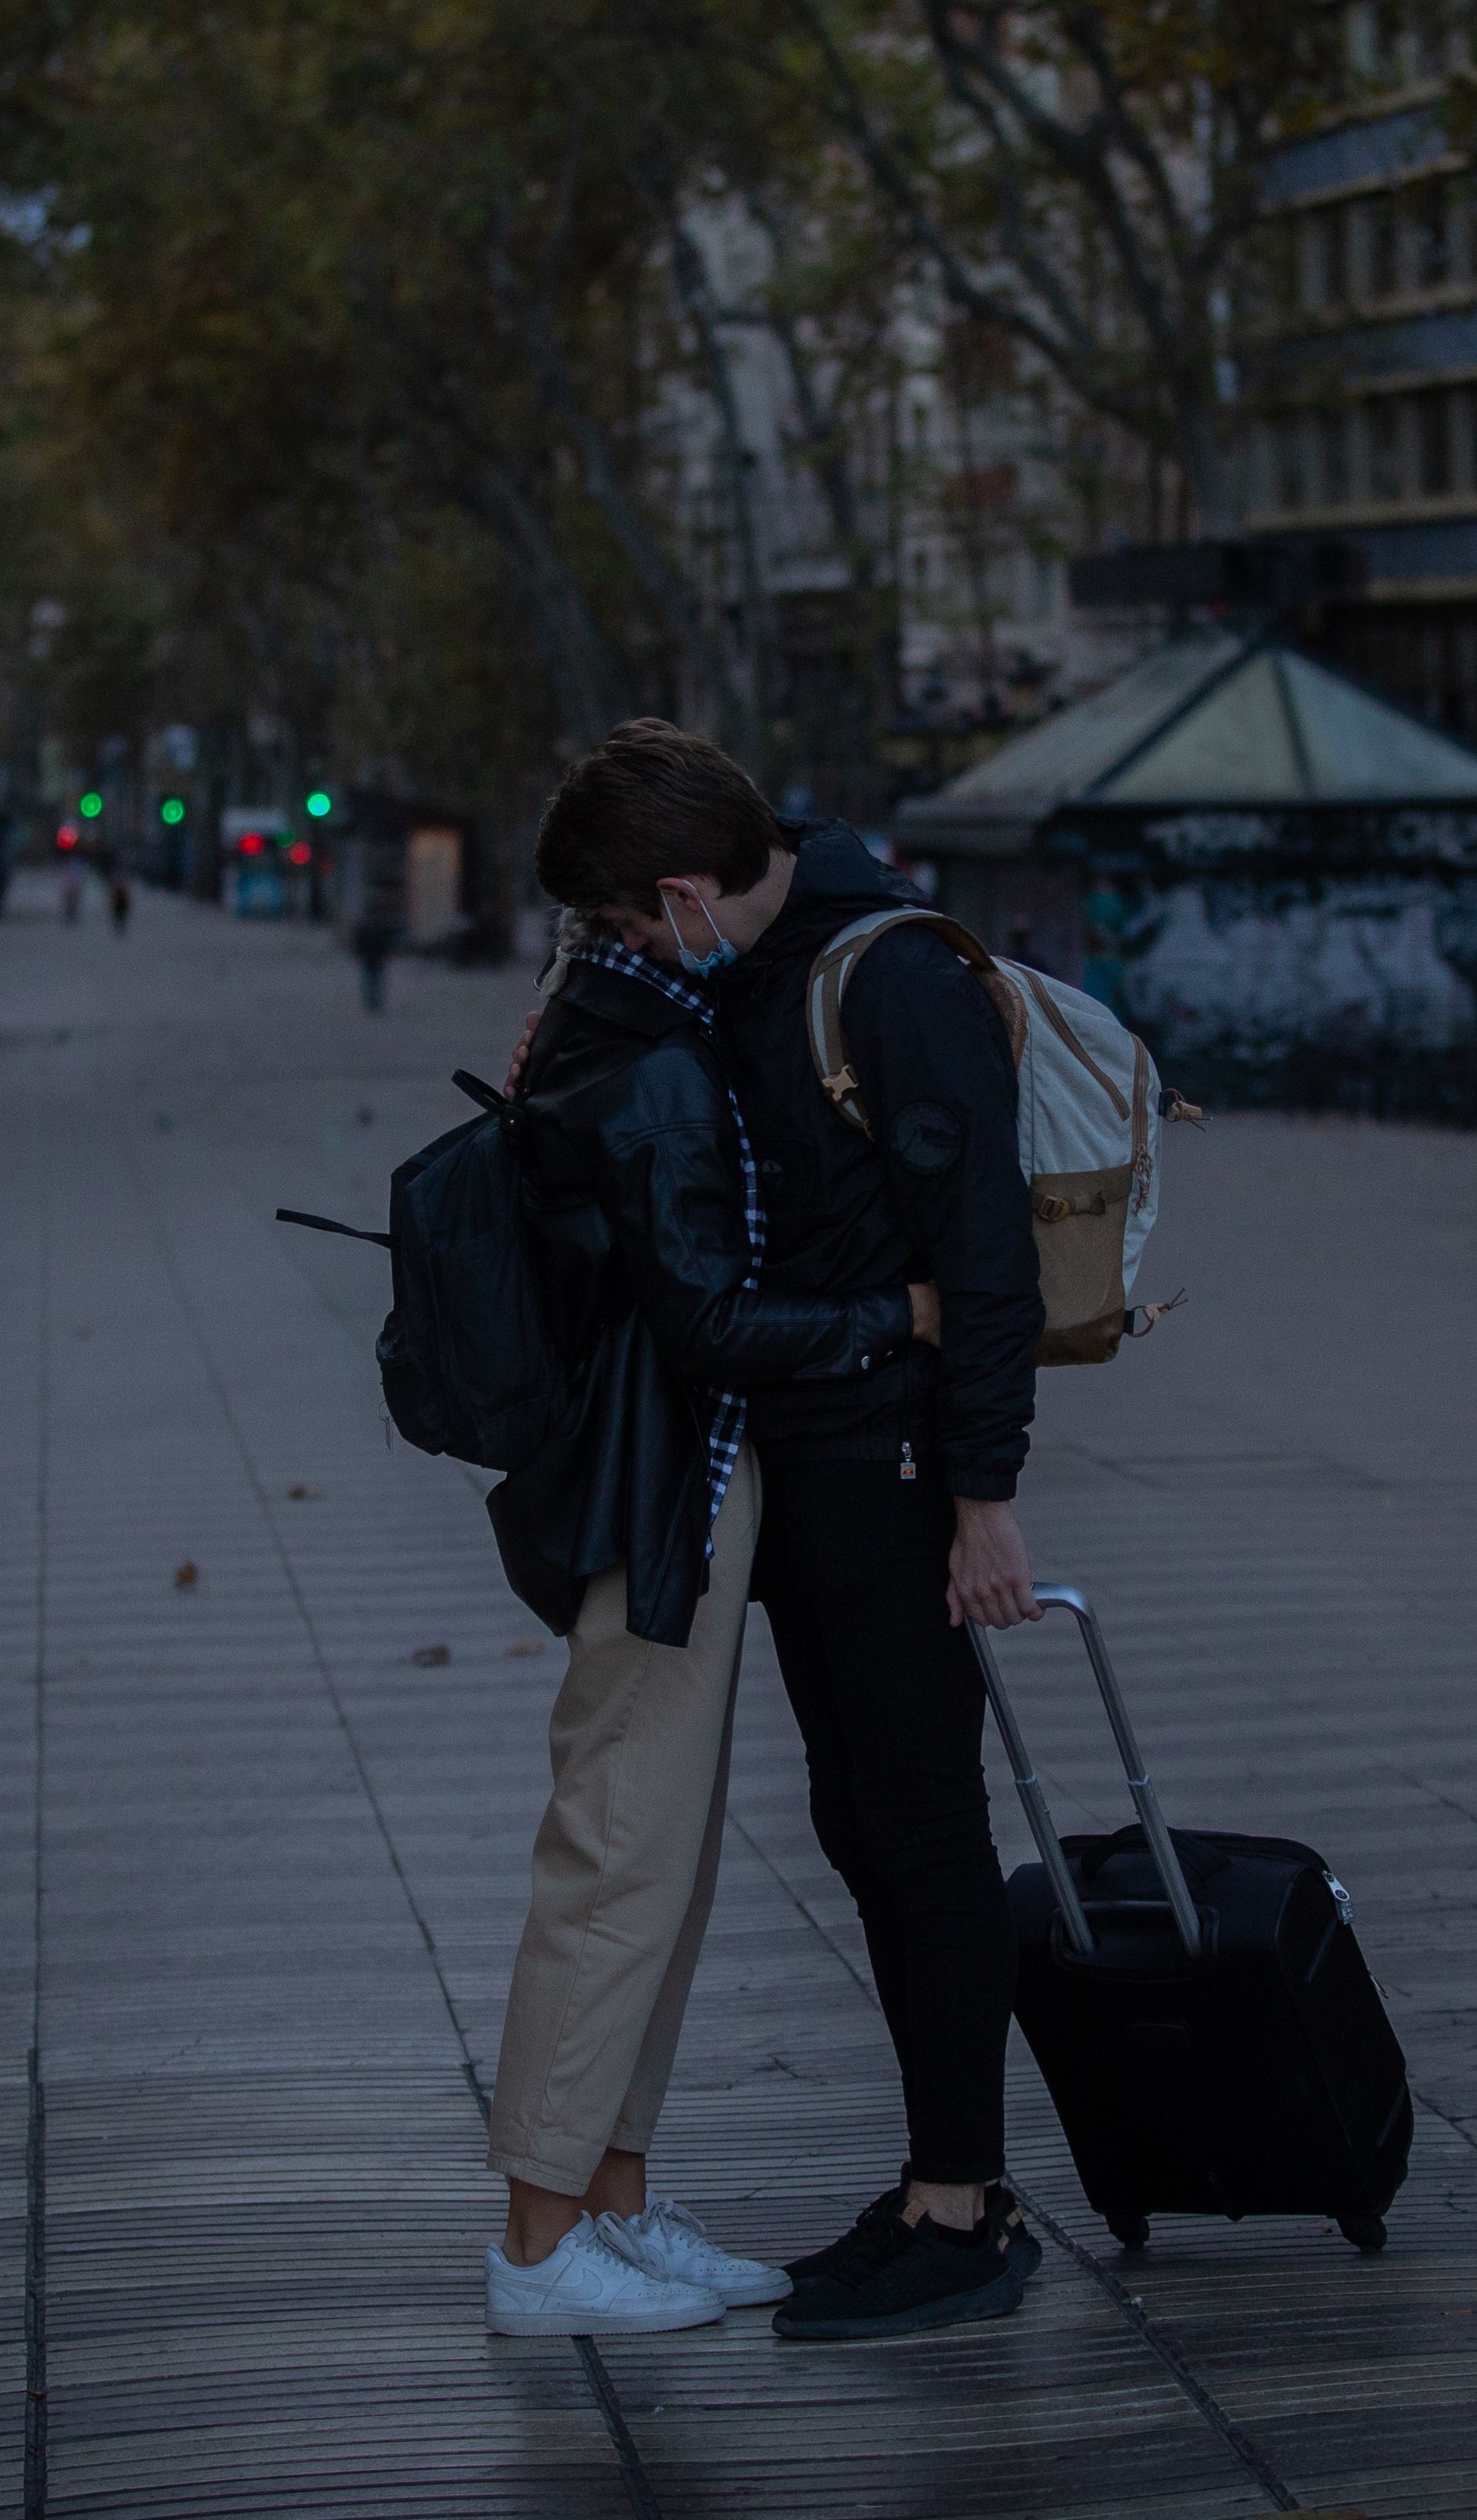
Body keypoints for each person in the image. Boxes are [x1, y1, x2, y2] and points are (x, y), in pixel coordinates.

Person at [531, 720, 1049, 2345]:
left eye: (627, 922)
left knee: (923, 1824)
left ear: (686, 891)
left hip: (897, 1469)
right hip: (804, 1465)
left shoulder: (893, 977)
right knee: (862, 1824)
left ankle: (966, 2206)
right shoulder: (742, 966)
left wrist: (984, 1496)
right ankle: (931, 2186)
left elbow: (988, 1256)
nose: (626, 948)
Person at [475, 745, 936, 2338]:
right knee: (619, 1846)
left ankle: (611, 2201)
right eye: (618, 922)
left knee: (658, 1850)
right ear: (680, 897)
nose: (616, 939)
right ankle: (540, 2242)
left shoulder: (626, 1014)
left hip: (669, 1471)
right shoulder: (649, 1048)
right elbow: (711, 1322)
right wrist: (902, 1311)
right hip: (659, 1478)